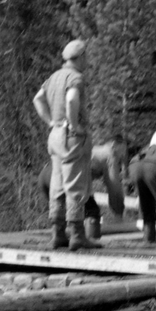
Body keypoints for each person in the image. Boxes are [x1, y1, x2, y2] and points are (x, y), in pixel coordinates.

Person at [33, 39, 99, 251]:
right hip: (71, 136)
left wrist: (51, 121)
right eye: (86, 56)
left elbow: (38, 99)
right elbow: (71, 99)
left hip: (55, 135)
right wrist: (75, 124)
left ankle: (57, 234)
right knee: (76, 185)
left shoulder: (53, 77)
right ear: (79, 57)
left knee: (58, 185)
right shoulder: (75, 77)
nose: (87, 60)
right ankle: (77, 236)